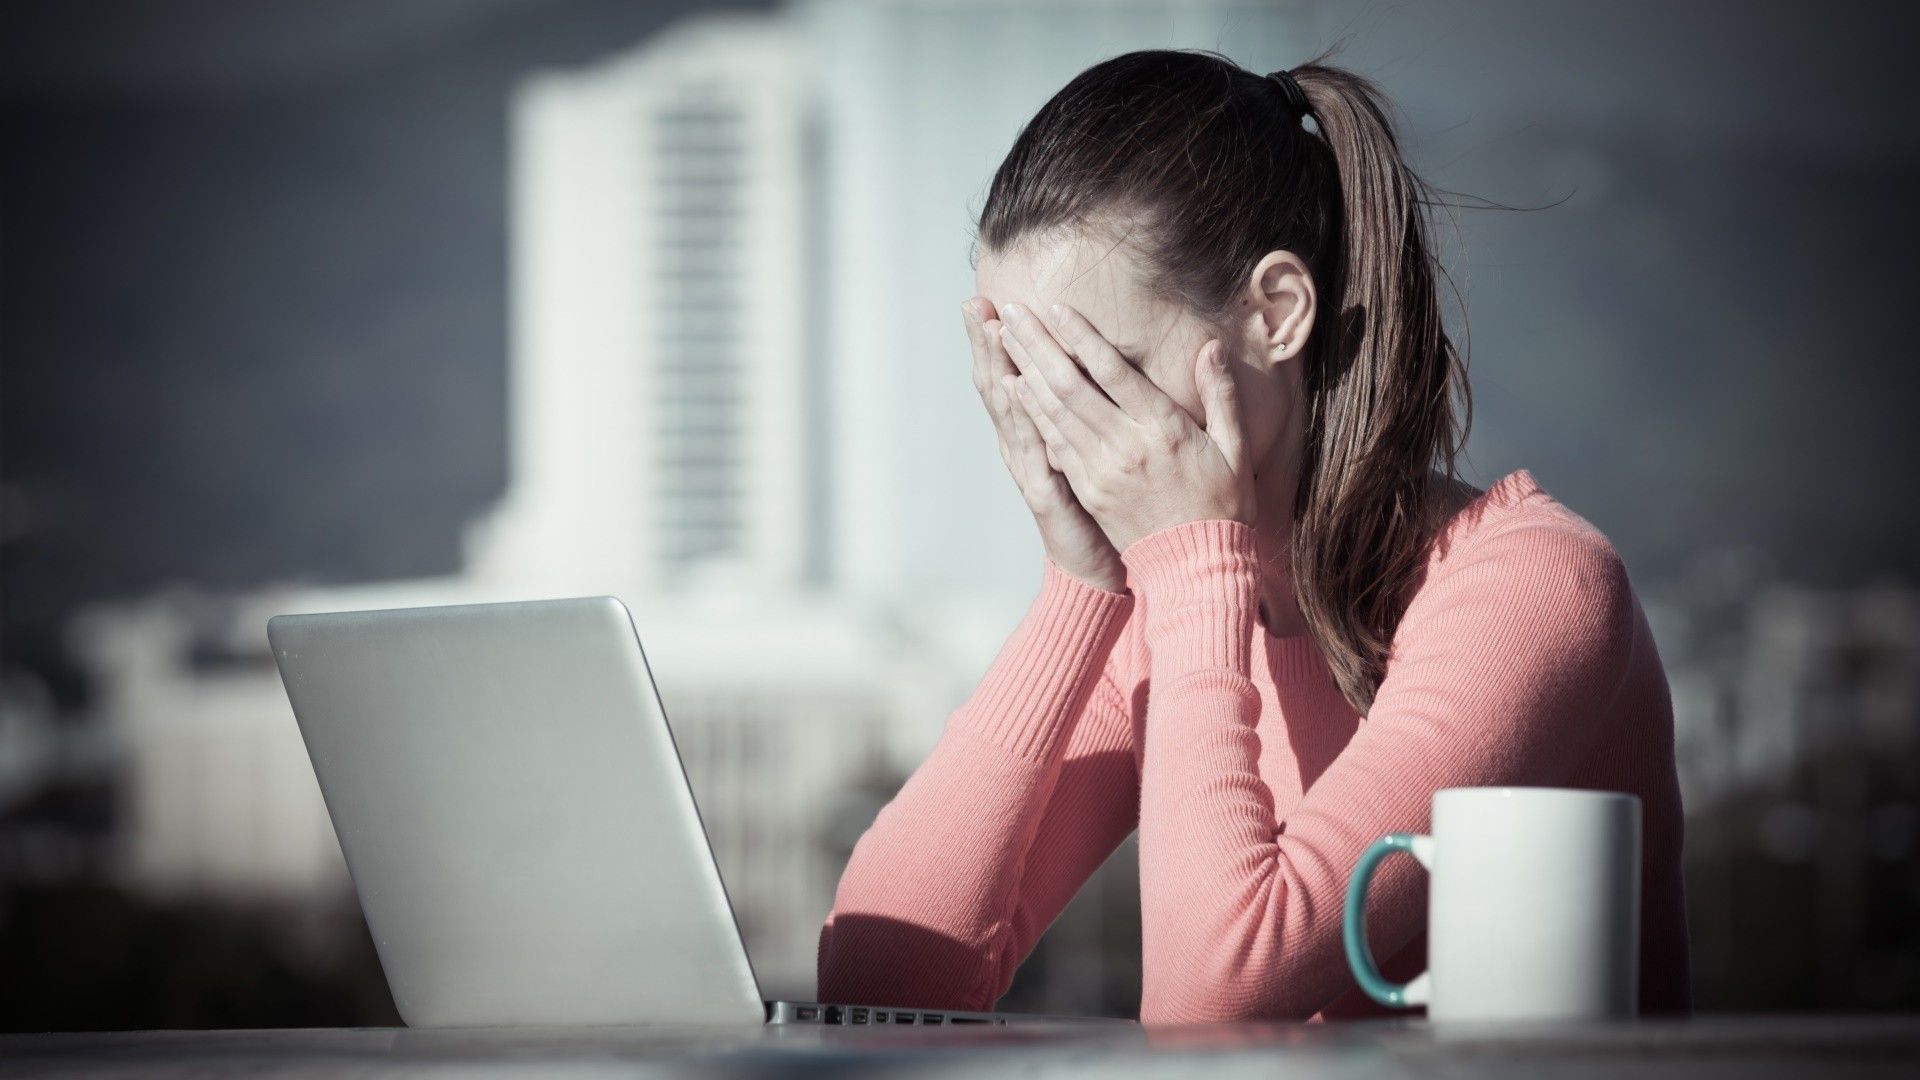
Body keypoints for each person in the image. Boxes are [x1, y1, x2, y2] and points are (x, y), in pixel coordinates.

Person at [815, 47, 1691, 1023]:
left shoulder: (1531, 589)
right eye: (1027, 379)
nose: (1065, 428)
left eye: (1099, 372)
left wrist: (1193, 568)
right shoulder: (1162, 610)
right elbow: (879, 983)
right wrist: (1079, 581)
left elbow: (1214, 996)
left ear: (1275, 315)